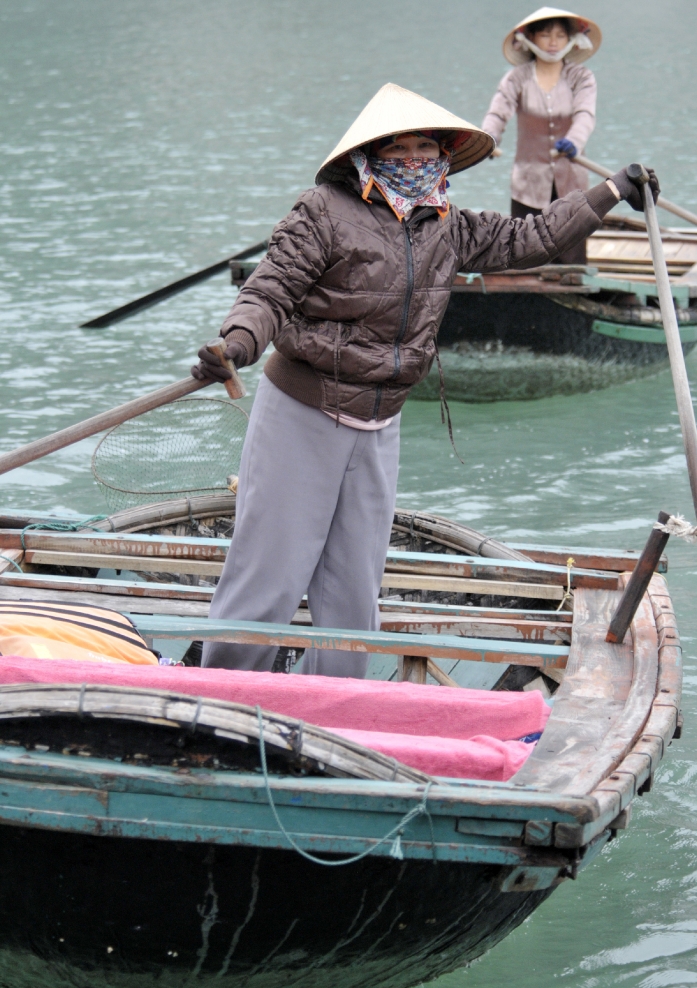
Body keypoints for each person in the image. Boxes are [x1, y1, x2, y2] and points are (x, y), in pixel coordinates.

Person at [192, 81, 658, 676]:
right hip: (304, 414)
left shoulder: (447, 224)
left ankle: (333, 710)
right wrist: (236, 343)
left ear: (442, 156)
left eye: (425, 149)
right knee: (270, 575)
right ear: (370, 156)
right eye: (399, 151)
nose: (414, 162)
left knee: (355, 590)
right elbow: (269, 290)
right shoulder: (323, 213)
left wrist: (612, 190)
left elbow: (534, 237)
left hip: (380, 422)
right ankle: (222, 699)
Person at [482, 7, 602, 264]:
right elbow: (498, 113)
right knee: (526, 253)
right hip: (529, 182)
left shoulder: (581, 77)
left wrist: (574, 142)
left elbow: (585, 115)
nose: (553, 42)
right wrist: (489, 139)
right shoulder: (517, 78)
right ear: (532, 38)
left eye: (560, 35)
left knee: (572, 260)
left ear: (570, 39)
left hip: (571, 179)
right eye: (546, 35)